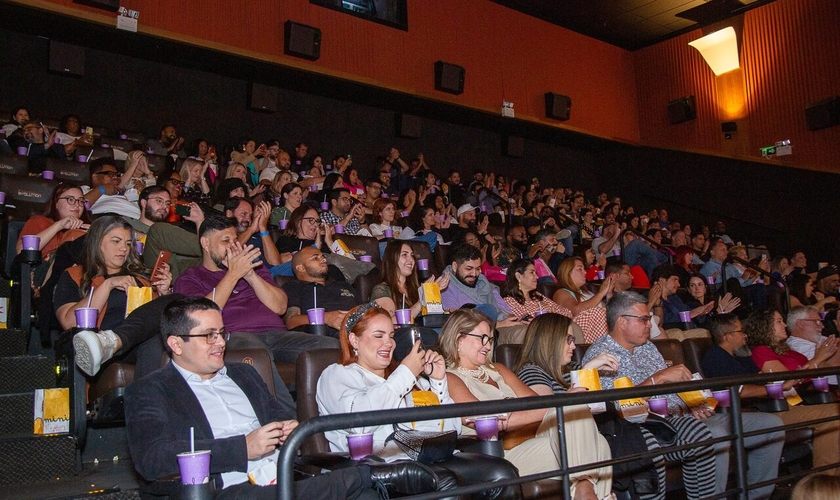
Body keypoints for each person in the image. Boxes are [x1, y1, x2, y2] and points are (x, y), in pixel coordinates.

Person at [126, 297, 435, 500]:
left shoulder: (243, 375)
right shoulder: (150, 389)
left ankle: (367, 479)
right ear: (176, 344)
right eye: (209, 335)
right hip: (224, 487)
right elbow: (152, 459)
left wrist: (288, 428)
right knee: (351, 485)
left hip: (282, 472)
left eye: (222, 333)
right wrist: (242, 447)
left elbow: (282, 419)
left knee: (364, 495)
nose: (220, 342)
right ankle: (369, 475)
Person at [583, 292, 784, 500]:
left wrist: (693, 403)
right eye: (644, 319)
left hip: (685, 416)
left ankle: (757, 496)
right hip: (649, 427)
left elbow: (675, 388)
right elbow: (617, 407)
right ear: (622, 322)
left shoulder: (648, 347)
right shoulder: (600, 355)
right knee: (711, 434)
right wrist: (658, 378)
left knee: (771, 425)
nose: (649, 324)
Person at [440, 308, 615, 500]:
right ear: (458, 340)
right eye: (481, 338)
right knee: (596, 444)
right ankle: (587, 493)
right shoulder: (449, 378)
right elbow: (483, 420)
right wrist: (560, 403)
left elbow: (536, 403)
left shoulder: (498, 369)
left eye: (490, 339)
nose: (488, 346)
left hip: (532, 437)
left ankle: (584, 492)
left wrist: (555, 405)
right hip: (499, 454)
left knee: (594, 439)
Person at [513, 313, 666, 500]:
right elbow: (549, 412)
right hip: (549, 435)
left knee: (633, 442)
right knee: (580, 418)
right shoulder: (532, 370)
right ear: (549, 340)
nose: (573, 346)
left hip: (589, 433)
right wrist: (586, 372)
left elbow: (596, 406)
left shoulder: (573, 368)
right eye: (568, 339)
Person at [174, 213, 338, 368]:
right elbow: (201, 316)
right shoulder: (191, 277)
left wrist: (250, 274)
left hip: (276, 335)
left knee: (331, 347)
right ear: (206, 243)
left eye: (235, 240)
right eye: (225, 241)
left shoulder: (254, 268)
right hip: (236, 336)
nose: (233, 247)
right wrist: (233, 274)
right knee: (259, 354)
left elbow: (280, 307)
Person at [702, 313, 840, 474]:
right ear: (728, 336)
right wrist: (780, 387)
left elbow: (765, 379)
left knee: (834, 412)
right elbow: (738, 390)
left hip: (779, 404)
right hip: (766, 410)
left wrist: (786, 382)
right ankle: (825, 484)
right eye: (740, 331)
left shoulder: (741, 357)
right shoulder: (716, 357)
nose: (745, 334)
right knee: (834, 414)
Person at [57, 216, 172, 376]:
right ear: (97, 243)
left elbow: (154, 319)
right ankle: (105, 343)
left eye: (128, 244)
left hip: (141, 344)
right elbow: (70, 323)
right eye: (116, 241)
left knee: (175, 300)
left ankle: (114, 341)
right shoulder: (75, 275)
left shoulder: (140, 279)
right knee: (155, 344)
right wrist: (107, 285)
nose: (124, 249)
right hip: (101, 353)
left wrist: (163, 292)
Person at [439, 244, 527, 330]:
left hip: (505, 328)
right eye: (469, 269)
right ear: (455, 266)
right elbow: (456, 322)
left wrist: (521, 321)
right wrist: (497, 325)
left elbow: (507, 314)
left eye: (477, 269)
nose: (474, 274)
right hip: (478, 334)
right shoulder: (445, 287)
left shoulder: (487, 285)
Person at [281, 246, 362, 335]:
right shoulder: (294, 287)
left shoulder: (343, 285)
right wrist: (326, 318)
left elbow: (365, 311)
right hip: (328, 336)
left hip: (361, 331)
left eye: (323, 257)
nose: (323, 260)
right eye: (315, 258)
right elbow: (291, 321)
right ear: (301, 268)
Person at [370, 240, 450, 322]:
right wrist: (421, 301)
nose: (411, 259)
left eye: (412, 255)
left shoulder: (416, 288)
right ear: (392, 259)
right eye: (404, 255)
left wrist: (432, 293)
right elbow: (388, 322)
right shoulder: (381, 290)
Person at [16, 182, 89, 258]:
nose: (77, 205)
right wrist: (59, 225)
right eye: (70, 199)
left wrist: (94, 236)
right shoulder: (40, 221)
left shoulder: (86, 229)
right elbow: (21, 251)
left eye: (81, 201)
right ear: (56, 203)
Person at [553, 257, 615, 343]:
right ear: (568, 272)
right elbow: (576, 310)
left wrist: (609, 294)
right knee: (598, 312)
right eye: (580, 269)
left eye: (584, 269)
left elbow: (610, 312)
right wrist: (601, 294)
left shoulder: (588, 293)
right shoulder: (561, 292)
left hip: (601, 329)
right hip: (579, 332)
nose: (585, 272)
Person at [500, 259, 572, 320]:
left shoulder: (537, 296)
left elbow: (567, 313)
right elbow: (527, 322)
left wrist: (552, 311)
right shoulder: (511, 301)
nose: (537, 277)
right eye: (532, 272)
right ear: (518, 276)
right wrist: (550, 313)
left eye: (536, 273)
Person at [785, 306, 840, 383]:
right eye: (817, 322)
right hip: (829, 390)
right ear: (801, 323)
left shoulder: (818, 338)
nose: (822, 326)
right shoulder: (796, 346)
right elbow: (831, 366)